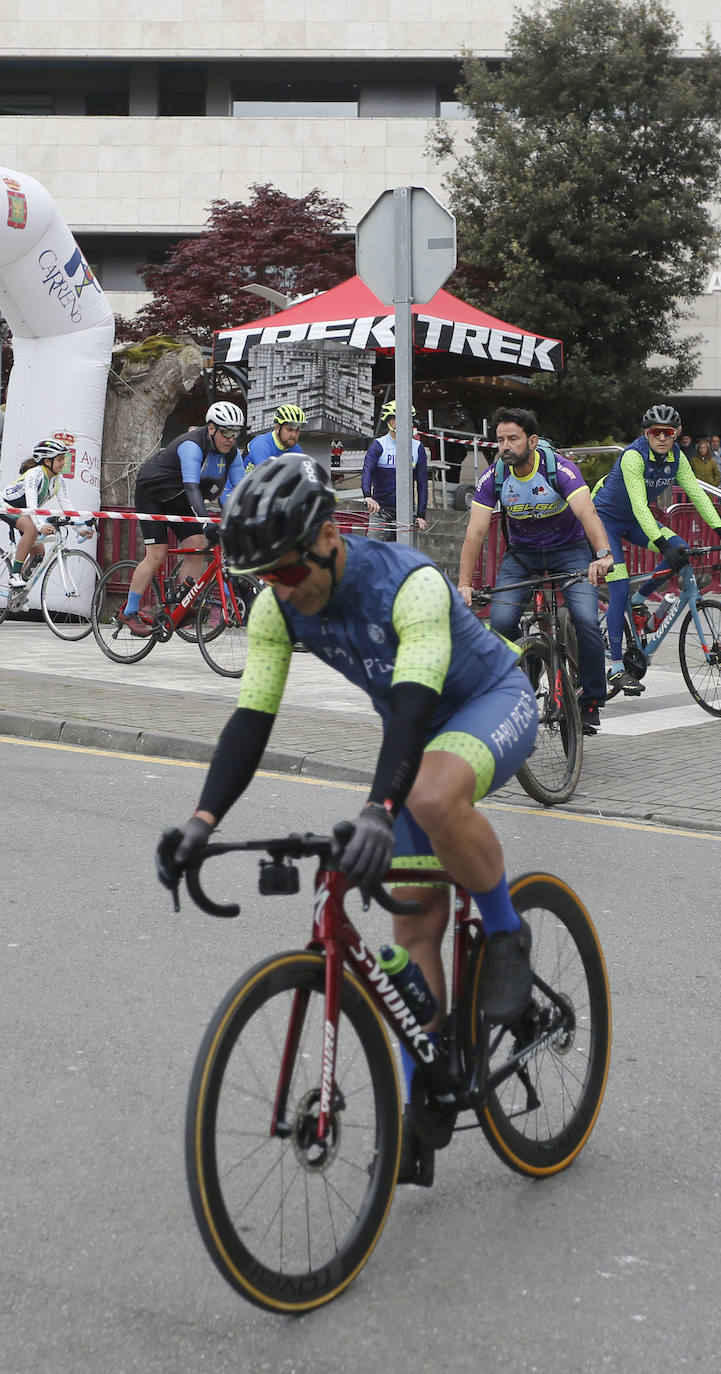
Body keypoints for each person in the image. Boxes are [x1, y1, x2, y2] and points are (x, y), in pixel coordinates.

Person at [155, 453, 539, 1186]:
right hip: (415, 732)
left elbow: (415, 706)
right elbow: (250, 721)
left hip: (487, 699)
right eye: (264, 577)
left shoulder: (410, 584)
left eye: (290, 571)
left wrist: (375, 808)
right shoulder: (278, 606)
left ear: (331, 536)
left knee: (426, 797)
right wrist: (201, 821)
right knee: (412, 925)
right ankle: (426, 1088)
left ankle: (505, 931)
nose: (280, 590)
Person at [456, 406, 614, 734]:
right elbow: (475, 532)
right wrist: (464, 584)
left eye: (513, 439)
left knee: (585, 618)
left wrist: (602, 555)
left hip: (569, 551)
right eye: (500, 440)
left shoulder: (561, 470)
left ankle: (591, 700)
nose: (504, 446)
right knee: (499, 622)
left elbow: (588, 515)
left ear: (532, 440)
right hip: (523, 555)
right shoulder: (495, 476)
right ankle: (527, 663)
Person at [592, 404, 721, 695]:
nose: (662, 437)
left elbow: (697, 495)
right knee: (618, 591)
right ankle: (615, 668)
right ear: (646, 433)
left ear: (677, 434)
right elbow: (638, 503)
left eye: (668, 432)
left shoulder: (677, 458)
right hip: (605, 521)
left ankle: (641, 598)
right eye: (655, 432)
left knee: (681, 550)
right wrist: (660, 544)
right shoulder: (633, 457)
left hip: (635, 521)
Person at [117, 401, 246, 636]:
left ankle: (182, 603)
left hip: (178, 499)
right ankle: (129, 610)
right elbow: (192, 488)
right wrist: (206, 522)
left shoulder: (232, 454)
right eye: (225, 432)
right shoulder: (192, 446)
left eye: (235, 433)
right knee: (157, 554)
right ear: (211, 428)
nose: (230, 439)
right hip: (153, 495)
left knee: (198, 546)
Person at [1, 438, 92, 588]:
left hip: (25, 511)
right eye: (60, 459)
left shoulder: (58, 479)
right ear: (47, 461)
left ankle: (17, 592)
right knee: (31, 529)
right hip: (6, 505)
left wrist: (79, 529)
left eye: (64, 459)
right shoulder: (34, 474)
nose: (63, 463)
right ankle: (14, 574)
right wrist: (39, 525)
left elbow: (67, 506)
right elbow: (32, 505)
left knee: (39, 555)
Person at [360, 401, 429, 541]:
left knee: (405, 558)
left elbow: (422, 484)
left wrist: (421, 515)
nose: (406, 422)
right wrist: (367, 495)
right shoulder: (379, 445)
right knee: (374, 553)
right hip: (380, 510)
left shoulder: (417, 447)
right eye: (399, 417)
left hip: (407, 512)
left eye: (409, 418)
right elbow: (367, 470)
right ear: (390, 421)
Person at [244, 403, 306, 472]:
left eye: (297, 430)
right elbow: (267, 478)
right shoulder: (261, 445)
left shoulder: (296, 449)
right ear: (277, 428)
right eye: (289, 430)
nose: (294, 435)